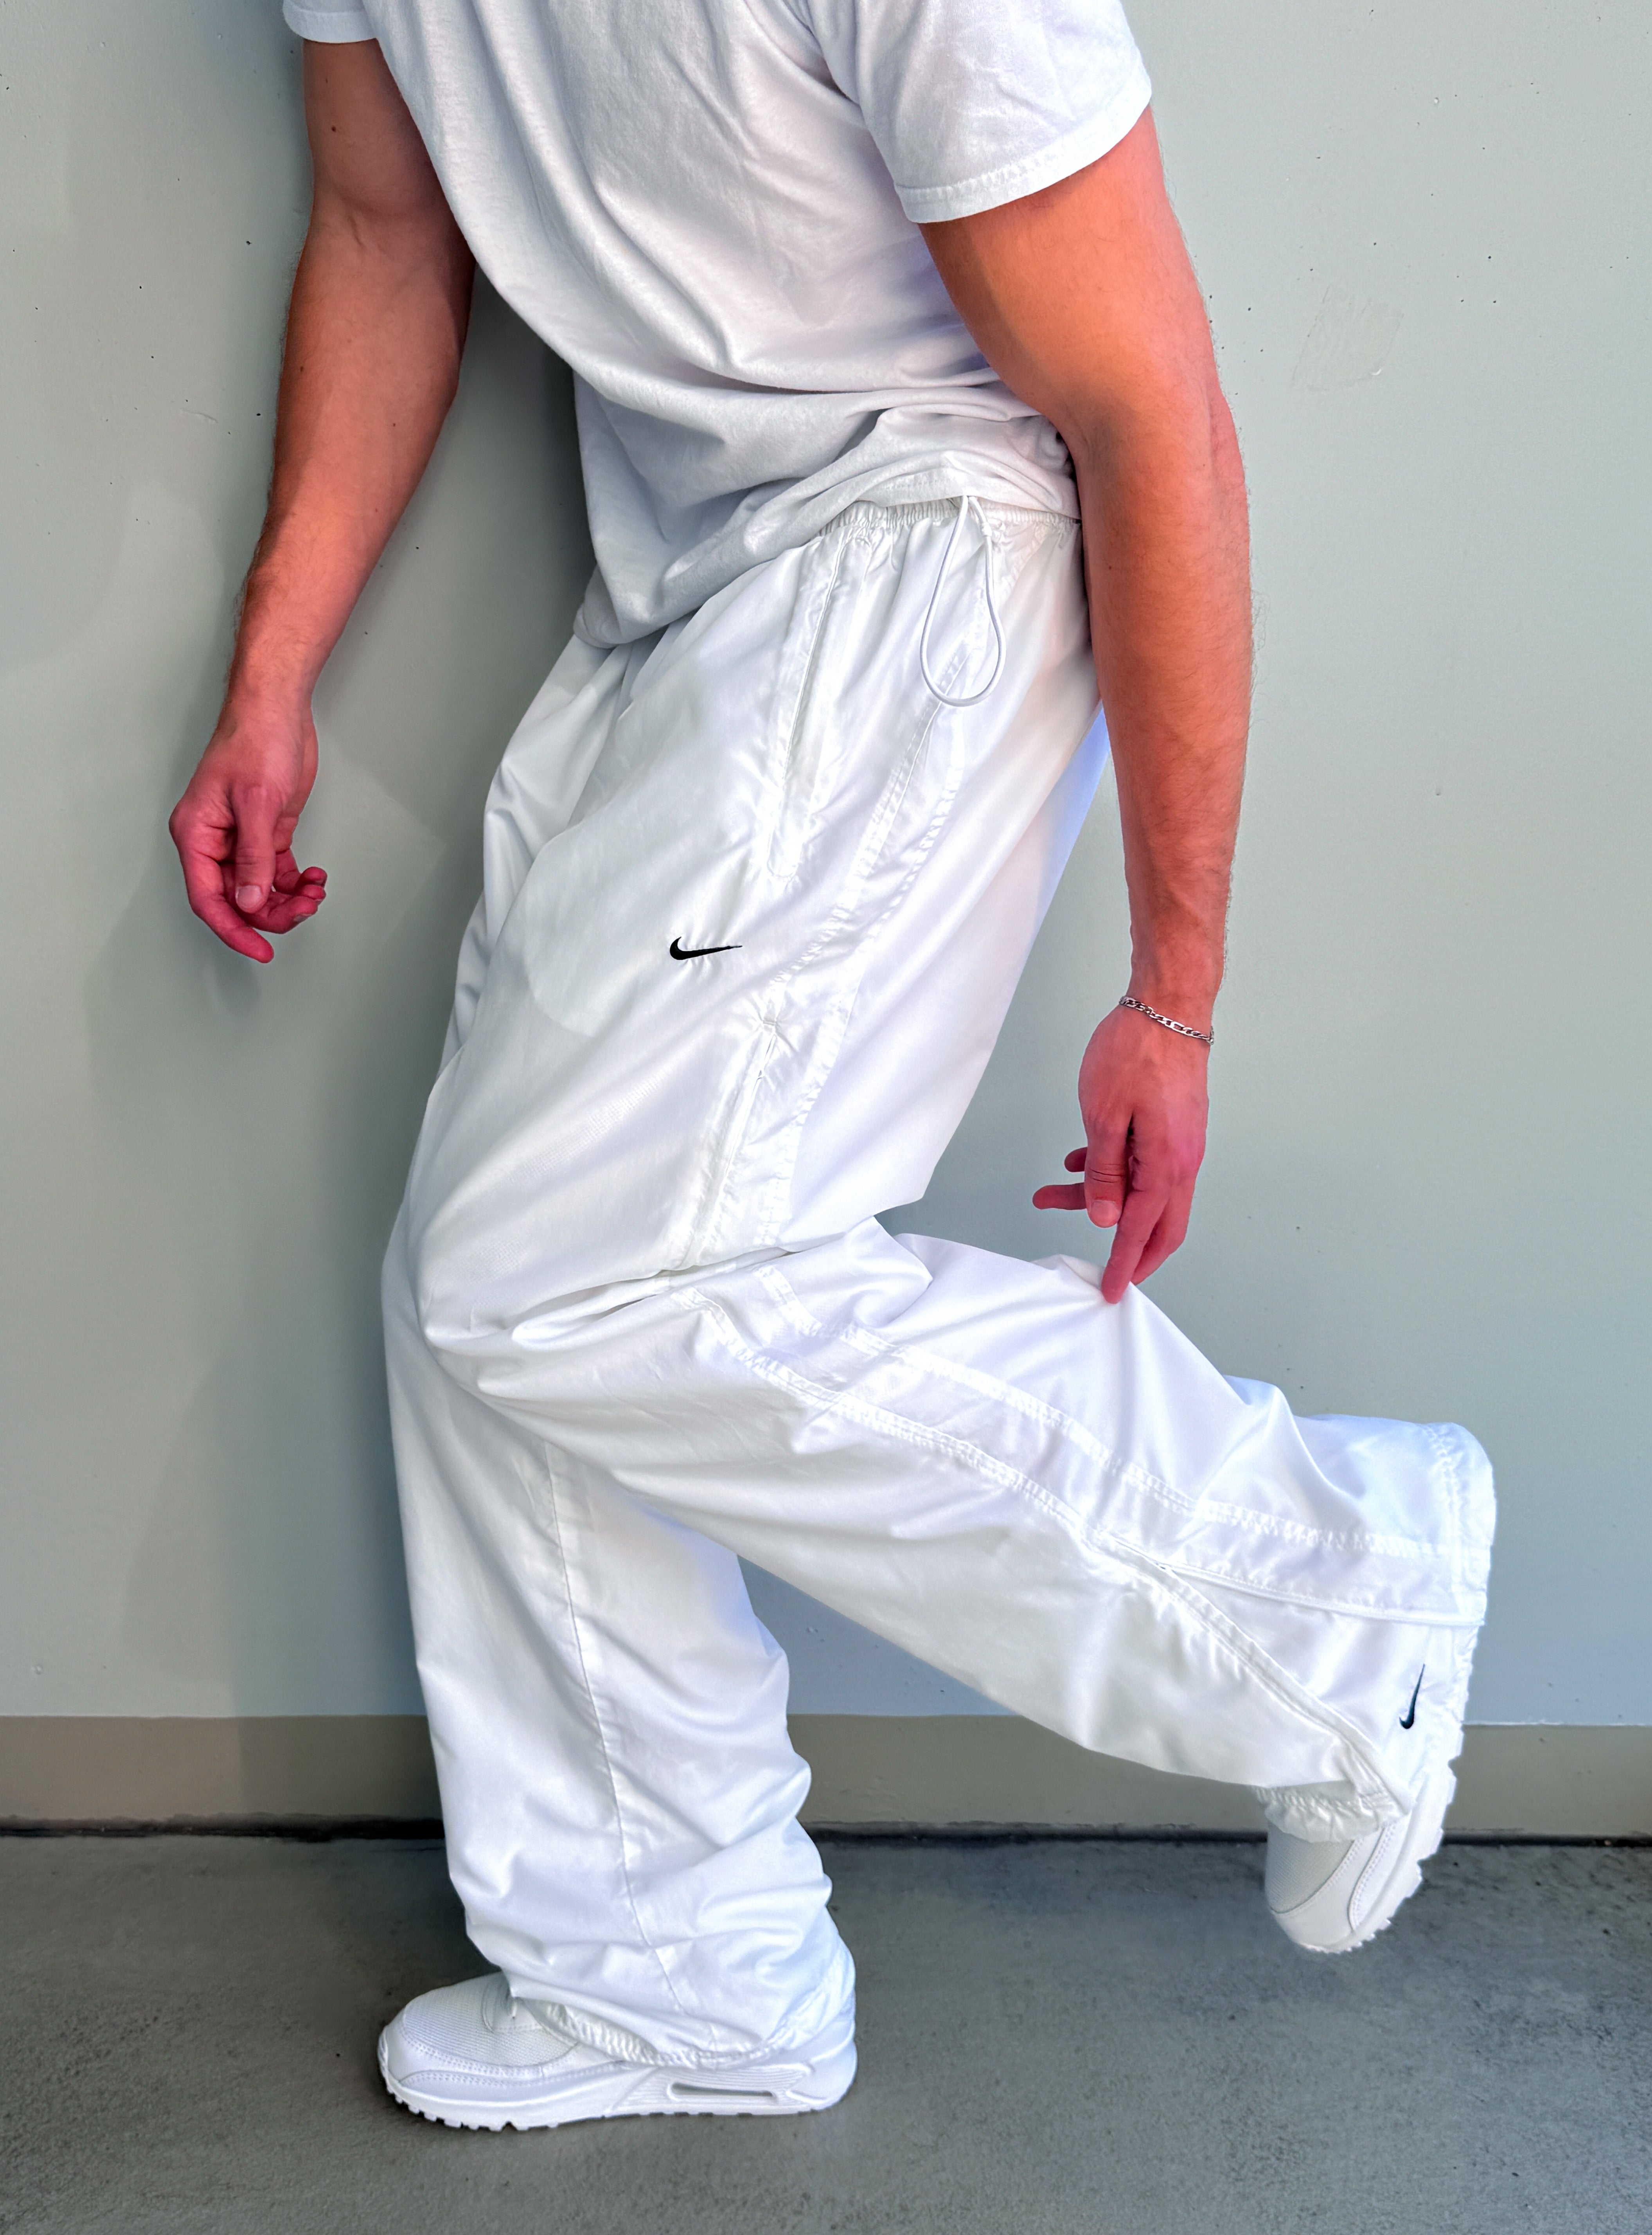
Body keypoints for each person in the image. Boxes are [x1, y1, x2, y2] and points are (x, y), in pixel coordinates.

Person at [169, 0, 1494, 2131]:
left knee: (556, 1277)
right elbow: (384, 226)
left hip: (913, 546)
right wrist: (272, 674)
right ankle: (670, 1972)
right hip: (679, 596)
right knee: (479, 1297)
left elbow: (1150, 407)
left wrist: (1174, 991)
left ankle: (1331, 1597)